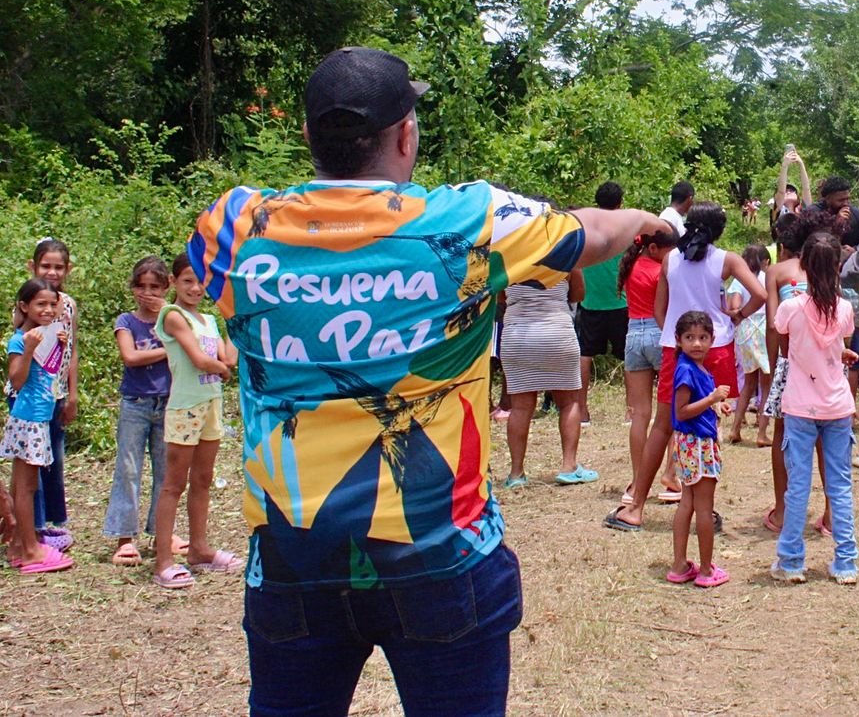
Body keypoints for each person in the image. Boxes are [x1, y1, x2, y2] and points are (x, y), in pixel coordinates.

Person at [189, 46, 665, 715]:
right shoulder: (466, 223)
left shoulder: (233, 227)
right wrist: (644, 221)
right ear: (406, 135)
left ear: (308, 136)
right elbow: (590, 234)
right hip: (443, 556)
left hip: (293, 560)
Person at [604, 202, 765, 532]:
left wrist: (675, 337)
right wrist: (736, 317)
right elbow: (760, 294)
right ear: (719, 230)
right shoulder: (727, 260)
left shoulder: (669, 260)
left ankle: (635, 507)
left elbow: (659, 310)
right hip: (716, 348)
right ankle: (705, 509)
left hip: (674, 350)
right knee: (706, 428)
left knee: (662, 426)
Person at [770, 232, 859, 584]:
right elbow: (835, 343)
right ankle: (846, 562)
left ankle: (791, 561)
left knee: (798, 486)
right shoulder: (845, 308)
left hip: (800, 405)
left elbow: (787, 342)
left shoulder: (791, 307)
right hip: (837, 405)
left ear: (803, 265)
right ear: (837, 267)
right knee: (840, 485)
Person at [152, 251, 241, 588]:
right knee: (174, 484)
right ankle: (163, 560)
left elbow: (228, 357)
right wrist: (222, 370)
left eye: (201, 281)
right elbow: (202, 361)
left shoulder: (208, 320)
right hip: (185, 408)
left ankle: (199, 549)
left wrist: (234, 318)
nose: (195, 288)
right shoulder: (172, 315)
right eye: (187, 281)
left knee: (203, 479)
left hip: (211, 406)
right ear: (173, 282)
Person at [104, 256, 183, 567]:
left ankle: (163, 533)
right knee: (128, 469)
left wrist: (170, 319)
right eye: (141, 286)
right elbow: (130, 356)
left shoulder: (173, 319)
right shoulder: (126, 321)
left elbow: (194, 343)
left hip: (169, 401)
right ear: (132, 287)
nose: (147, 293)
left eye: (155, 287)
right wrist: (170, 348)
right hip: (135, 403)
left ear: (167, 287)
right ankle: (124, 537)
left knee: (167, 472)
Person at [500, 263, 594, 487]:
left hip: (518, 335)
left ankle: (516, 474)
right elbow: (579, 294)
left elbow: (499, 296)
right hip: (556, 332)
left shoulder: (509, 255)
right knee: (569, 402)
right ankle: (569, 466)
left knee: (520, 407)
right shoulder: (566, 256)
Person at [3, 278, 73, 573]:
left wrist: (59, 346)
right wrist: (30, 349)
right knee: (26, 486)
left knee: (26, 484)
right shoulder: (20, 340)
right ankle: (31, 550)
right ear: (24, 306)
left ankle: (20, 544)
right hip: (28, 419)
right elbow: (17, 381)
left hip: (40, 418)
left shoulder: (49, 334)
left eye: (52, 304)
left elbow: (50, 376)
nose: (47, 310)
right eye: (40, 304)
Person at [665, 311, 732, 588]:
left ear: (712, 339)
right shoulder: (686, 370)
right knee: (704, 508)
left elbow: (696, 403)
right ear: (678, 340)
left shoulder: (695, 367)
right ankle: (705, 570)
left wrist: (717, 404)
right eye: (690, 337)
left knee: (688, 502)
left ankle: (680, 565)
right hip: (698, 445)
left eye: (703, 337)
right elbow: (681, 411)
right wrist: (712, 397)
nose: (697, 343)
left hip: (689, 443)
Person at [24, 238, 77, 553]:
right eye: (46, 266)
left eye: (58, 267)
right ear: (33, 266)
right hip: (32, 395)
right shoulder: (28, 300)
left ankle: (53, 522)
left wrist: (72, 394)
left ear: (68, 269)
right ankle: (34, 526)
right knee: (32, 460)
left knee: (54, 458)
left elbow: (72, 350)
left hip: (56, 393)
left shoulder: (68, 304)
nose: (52, 272)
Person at [618, 227, 677, 505]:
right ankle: (670, 475)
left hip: (633, 334)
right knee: (672, 410)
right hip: (659, 334)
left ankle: (636, 481)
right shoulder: (661, 271)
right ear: (654, 249)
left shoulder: (629, 267)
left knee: (639, 414)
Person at [575, 181, 630, 425]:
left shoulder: (585, 228)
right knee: (629, 358)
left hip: (590, 302)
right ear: (619, 203)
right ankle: (631, 411)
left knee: (585, 355)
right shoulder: (625, 230)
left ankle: (582, 411)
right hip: (620, 302)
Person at [729, 244, 771, 445]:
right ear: (764, 261)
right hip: (764, 330)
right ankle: (762, 433)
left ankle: (735, 428)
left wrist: (740, 314)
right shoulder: (767, 277)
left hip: (745, 331)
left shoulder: (739, 280)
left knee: (748, 382)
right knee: (766, 384)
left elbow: (734, 305)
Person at [811, 175, 859, 247]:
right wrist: (836, 224)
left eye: (847, 199)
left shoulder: (857, 215)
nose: (846, 203)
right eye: (841, 200)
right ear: (827, 199)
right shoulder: (813, 214)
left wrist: (856, 250)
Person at [772, 147, 812, 230]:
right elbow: (781, 191)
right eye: (786, 191)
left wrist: (801, 164)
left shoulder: (802, 211)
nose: (788, 191)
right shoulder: (779, 210)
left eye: (792, 190)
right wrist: (784, 165)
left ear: (798, 198)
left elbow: (806, 189)